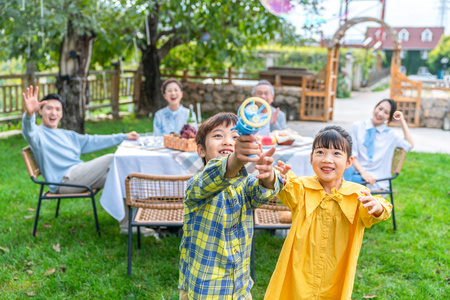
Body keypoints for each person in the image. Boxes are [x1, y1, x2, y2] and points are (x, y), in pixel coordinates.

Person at [264, 125, 392, 300]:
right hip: (300, 272)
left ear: (349, 161)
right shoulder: (301, 187)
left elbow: (378, 209)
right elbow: (284, 186)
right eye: (320, 152)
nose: (327, 159)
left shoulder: (357, 194)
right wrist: (273, 177)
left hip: (336, 273)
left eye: (336, 153)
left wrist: (378, 208)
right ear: (311, 158)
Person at [178, 112, 284, 300]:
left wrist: (268, 176)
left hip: (239, 286)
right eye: (218, 135)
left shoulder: (246, 183)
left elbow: (262, 193)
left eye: (235, 137)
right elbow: (214, 176)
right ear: (201, 150)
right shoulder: (196, 185)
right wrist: (236, 158)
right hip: (206, 289)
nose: (228, 141)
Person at [22, 86, 140, 232]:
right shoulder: (38, 135)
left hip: (78, 176)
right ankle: (134, 223)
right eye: (49, 108)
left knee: (123, 177)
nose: (53, 112)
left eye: (58, 109)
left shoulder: (67, 135)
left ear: (62, 114)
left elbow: (94, 140)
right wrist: (29, 114)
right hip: (64, 181)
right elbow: (28, 131)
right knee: (112, 159)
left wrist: (123, 137)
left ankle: (130, 225)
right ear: (40, 111)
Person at [343, 98, 414, 190]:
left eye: (386, 112)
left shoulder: (390, 135)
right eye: (380, 109)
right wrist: (363, 172)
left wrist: (402, 121)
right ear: (375, 108)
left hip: (375, 178)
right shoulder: (357, 127)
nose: (380, 114)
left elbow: (409, 145)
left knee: (339, 181)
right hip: (355, 171)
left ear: (389, 117)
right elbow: (352, 154)